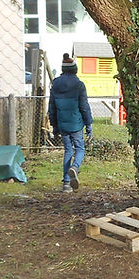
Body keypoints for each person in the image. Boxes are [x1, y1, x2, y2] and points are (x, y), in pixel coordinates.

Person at [49, 53, 93, 193]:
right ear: (75, 69)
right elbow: (84, 107)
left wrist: (54, 126)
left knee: (68, 150)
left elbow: (52, 108)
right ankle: (75, 167)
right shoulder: (79, 85)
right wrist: (89, 124)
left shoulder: (55, 84)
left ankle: (66, 184)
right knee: (80, 149)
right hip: (76, 124)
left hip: (63, 124)